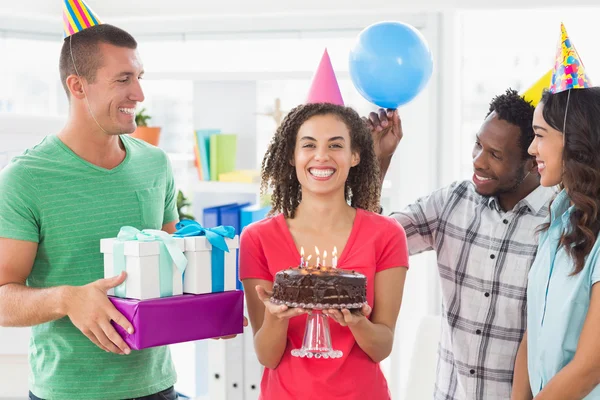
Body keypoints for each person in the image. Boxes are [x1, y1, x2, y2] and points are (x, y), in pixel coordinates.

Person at [0, 5, 242, 399]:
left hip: (157, 386)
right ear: (78, 86)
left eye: (139, 77)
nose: (139, 93)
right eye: (123, 79)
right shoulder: (25, 178)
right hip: (68, 392)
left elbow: (172, 269)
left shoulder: (155, 163)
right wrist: (68, 298)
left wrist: (207, 312)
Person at [366, 88, 556, 399]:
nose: (478, 162)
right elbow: (373, 240)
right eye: (478, 145)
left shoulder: (559, 221)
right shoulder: (452, 202)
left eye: (495, 155)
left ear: (532, 163)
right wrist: (379, 161)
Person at [240, 99, 409, 399]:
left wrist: (358, 322)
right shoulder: (257, 238)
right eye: (308, 145)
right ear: (291, 156)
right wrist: (276, 317)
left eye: (335, 145)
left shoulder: (387, 234)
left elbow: (382, 346)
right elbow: (267, 356)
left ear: (354, 155)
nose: (321, 156)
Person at [511, 24, 600, 400]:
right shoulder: (557, 221)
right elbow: (534, 333)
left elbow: (590, 366)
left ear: (575, 140)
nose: (532, 149)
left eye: (540, 135)